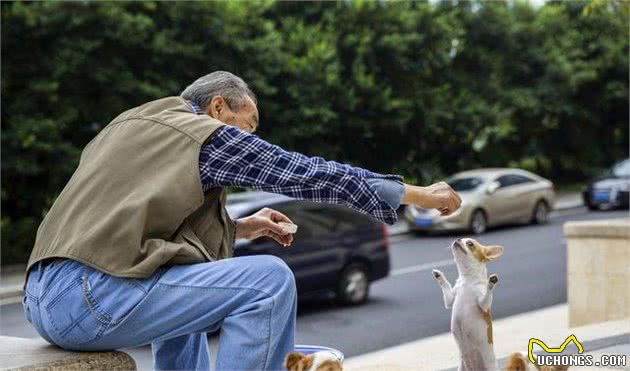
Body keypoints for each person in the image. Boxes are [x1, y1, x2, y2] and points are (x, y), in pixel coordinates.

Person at [22, 71, 461, 370]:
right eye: (246, 127)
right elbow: (309, 174)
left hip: (44, 296)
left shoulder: (130, 124)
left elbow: (130, 222)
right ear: (217, 107)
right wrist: (420, 194)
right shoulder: (205, 134)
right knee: (268, 280)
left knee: (191, 275)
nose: (247, 139)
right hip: (89, 297)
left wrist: (240, 227)